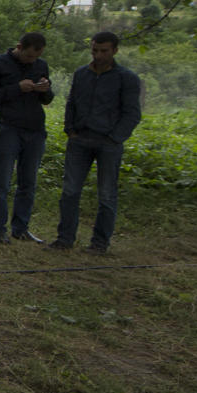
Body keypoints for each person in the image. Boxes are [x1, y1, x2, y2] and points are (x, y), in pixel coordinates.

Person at [53, 31, 143, 254]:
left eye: (104, 51)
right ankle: (65, 239)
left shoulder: (127, 78)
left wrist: (115, 137)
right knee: (70, 191)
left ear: (114, 51)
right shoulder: (81, 74)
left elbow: (132, 113)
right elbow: (71, 102)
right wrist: (70, 129)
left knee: (106, 194)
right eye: (95, 50)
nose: (98, 55)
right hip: (80, 139)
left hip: (108, 142)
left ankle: (100, 243)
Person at [0, 32, 55, 244]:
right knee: (1, 181)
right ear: (19, 47)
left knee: (28, 183)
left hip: (35, 129)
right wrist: (17, 88)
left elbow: (47, 98)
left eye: (36, 57)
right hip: (8, 128)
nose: (33, 61)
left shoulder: (41, 65)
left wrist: (45, 90)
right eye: (29, 56)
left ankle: (20, 228)